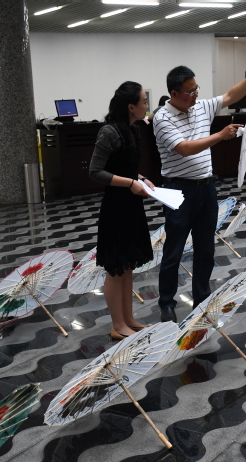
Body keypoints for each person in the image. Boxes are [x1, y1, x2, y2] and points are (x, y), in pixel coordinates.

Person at [153, 66, 246, 323]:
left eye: (196, 89)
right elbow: (183, 148)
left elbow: (229, 96)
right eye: (189, 92)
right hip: (178, 191)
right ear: (174, 93)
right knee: (174, 250)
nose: (195, 95)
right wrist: (219, 136)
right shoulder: (162, 118)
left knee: (205, 249)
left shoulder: (201, 107)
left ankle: (201, 299)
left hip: (206, 189)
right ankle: (167, 304)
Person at [88, 81, 156, 339]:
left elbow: (124, 168)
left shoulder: (132, 129)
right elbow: (96, 171)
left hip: (131, 205)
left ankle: (128, 319)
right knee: (116, 268)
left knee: (127, 266)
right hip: (116, 208)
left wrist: (141, 178)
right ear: (131, 106)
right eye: (144, 101)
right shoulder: (109, 132)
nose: (146, 106)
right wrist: (130, 183)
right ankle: (117, 326)